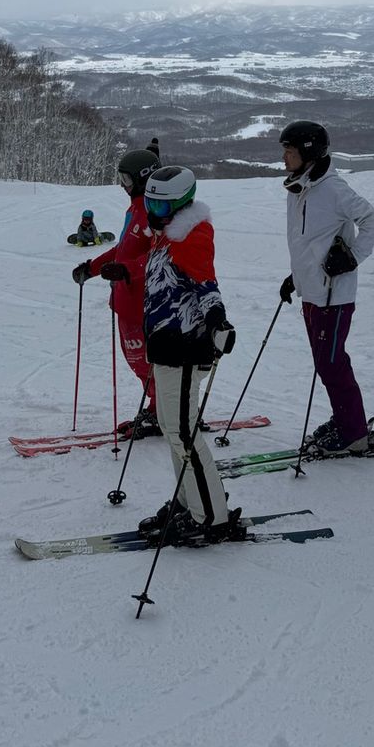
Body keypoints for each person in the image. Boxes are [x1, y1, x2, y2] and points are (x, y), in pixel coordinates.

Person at [134, 165, 244, 544]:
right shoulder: (164, 235)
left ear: (180, 205)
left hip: (185, 347)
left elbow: (206, 286)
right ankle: (188, 500)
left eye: (160, 207)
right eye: (149, 203)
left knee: (183, 431)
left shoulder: (190, 238)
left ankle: (212, 516)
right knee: (172, 429)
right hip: (165, 347)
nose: (152, 212)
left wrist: (218, 322)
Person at [278, 120, 374, 455]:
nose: (285, 158)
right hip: (312, 292)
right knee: (327, 363)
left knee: (333, 364)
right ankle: (345, 420)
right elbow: (310, 243)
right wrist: (295, 278)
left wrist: (351, 258)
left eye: (290, 151)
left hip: (333, 295)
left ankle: (353, 433)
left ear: (308, 154)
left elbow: (372, 221)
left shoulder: (333, 189)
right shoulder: (300, 189)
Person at [72, 146, 161, 437]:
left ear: (142, 178)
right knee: (137, 361)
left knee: (145, 360)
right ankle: (159, 406)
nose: (123, 186)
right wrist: (93, 267)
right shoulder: (135, 208)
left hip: (141, 300)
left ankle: (164, 410)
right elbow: (123, 250)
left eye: (126, 179)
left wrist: (126, 270)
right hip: (125, 298)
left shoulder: (154, 210)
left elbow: (159, 254)